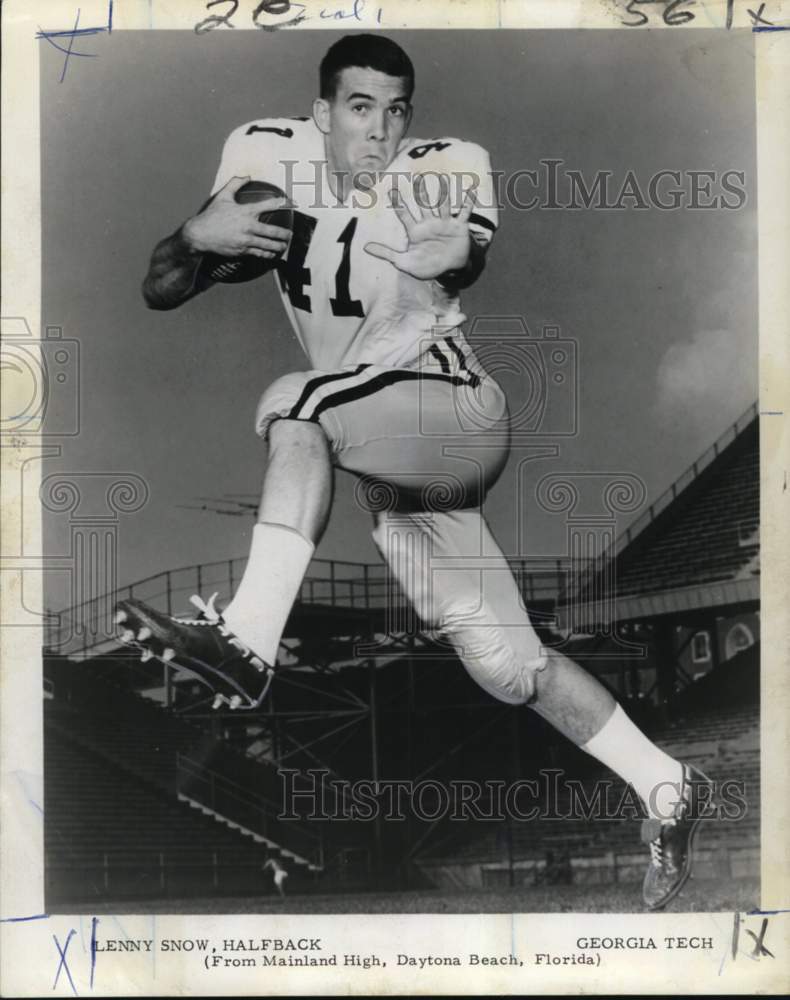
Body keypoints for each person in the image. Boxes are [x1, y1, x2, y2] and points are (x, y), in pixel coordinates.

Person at [115, 34, 714, 911]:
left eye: (397, 110)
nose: (381, 131)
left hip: (453, 410)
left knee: (295, 406)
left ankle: (245, 640)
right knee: (511, 667)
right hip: (391, 466)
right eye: (360, 109)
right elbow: (162, 286)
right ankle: (668, 786)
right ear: (321, 114)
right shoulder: (265, 155)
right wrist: (193, 236)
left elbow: (466, 249)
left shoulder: (442, 165)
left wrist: (456, 254)